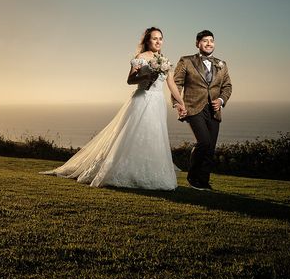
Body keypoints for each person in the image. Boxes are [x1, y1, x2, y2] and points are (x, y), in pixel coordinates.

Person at [41, 27, 186, 190]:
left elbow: (171, 84)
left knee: (154, 136)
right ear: (147, 41)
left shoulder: (165, 60)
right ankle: (122, 171)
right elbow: (130, 80)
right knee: (132, 136)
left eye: (161, 38)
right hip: (142, 99)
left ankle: (150, 173)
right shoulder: (140, 58)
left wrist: (181, 103)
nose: (158, 41)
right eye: (154, 38)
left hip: (158, 102)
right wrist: (146, 76)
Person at [172, 30, 232, 191]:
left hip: (214, 110)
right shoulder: (186, 61)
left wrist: (221, 100)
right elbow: (176, 83)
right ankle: (192, 178)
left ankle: (203, 182)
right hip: (193, 107)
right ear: (197, 43)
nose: (209, 43)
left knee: (210, 147)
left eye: (211, 40)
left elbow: (227, 86)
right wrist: (178, 104)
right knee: (204, 142)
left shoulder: (222, 64)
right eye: (205, 40)